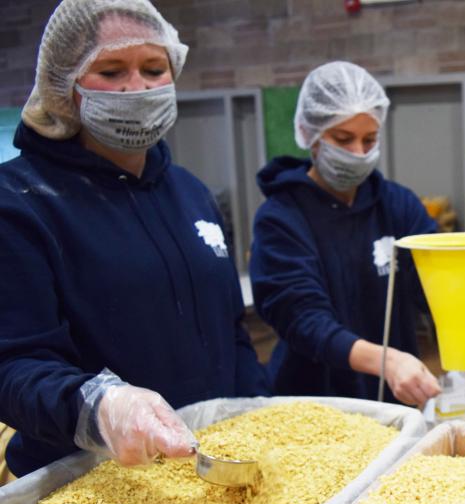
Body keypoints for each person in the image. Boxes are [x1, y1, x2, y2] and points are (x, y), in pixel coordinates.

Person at [0, 0, 268, 476]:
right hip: (90, 481)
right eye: (111, 70)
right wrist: (98, 407)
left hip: (207, 468)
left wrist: (260, 413)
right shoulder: (19, 203)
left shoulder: (190, 192)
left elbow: (231, 332)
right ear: (67, 86)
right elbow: (13, 366)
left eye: (153, 68)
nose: (137, 88)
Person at [250, 62, 465, 407]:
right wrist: (388, 361)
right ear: (310, 134)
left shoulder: (396, 205)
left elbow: (436, 285)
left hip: (392, 399)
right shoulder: (281, 218)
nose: (357, 153)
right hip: (315, 401)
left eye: (369, 139)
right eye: (343, 139)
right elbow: (303, 319)